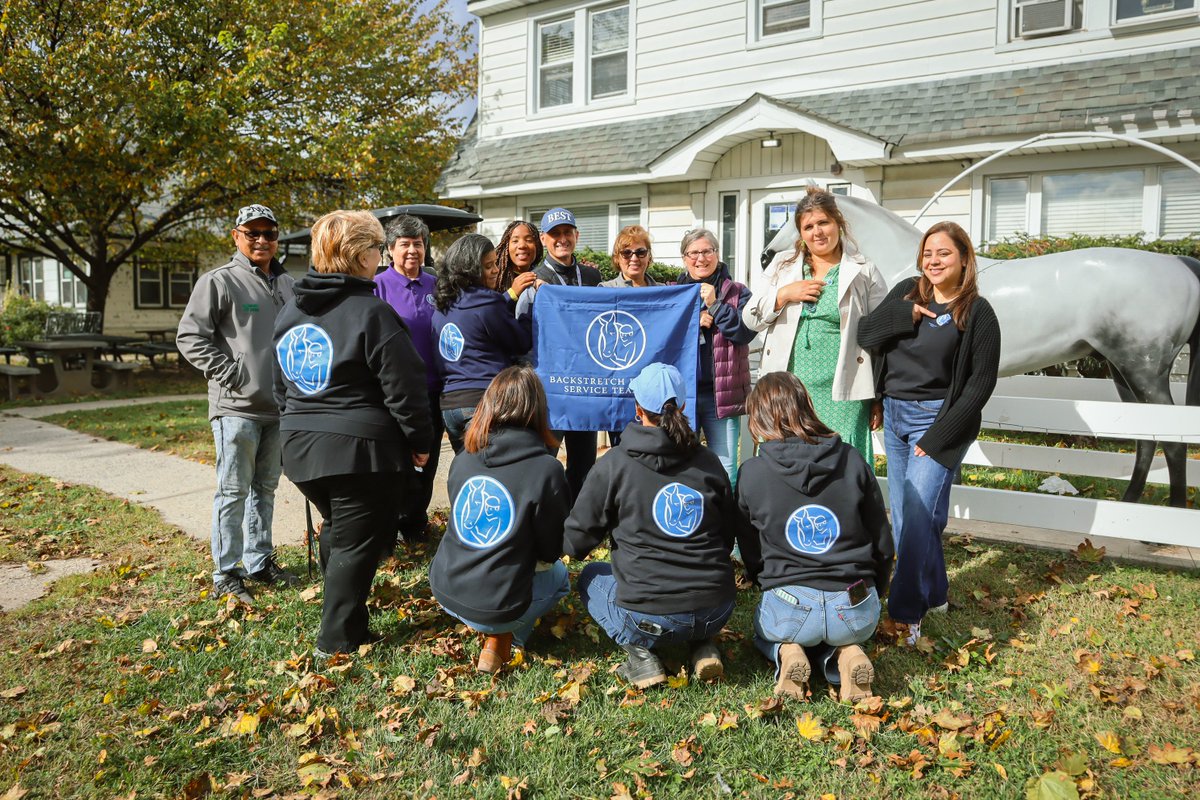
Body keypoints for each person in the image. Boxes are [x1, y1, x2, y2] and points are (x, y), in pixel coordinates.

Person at [272, 210, 433, 657]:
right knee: (355, 542)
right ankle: (336, 642)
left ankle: (352, 623)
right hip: (360, 451)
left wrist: (300, 426)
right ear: (360, 256)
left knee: (342, 531)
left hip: (301, 449)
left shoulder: (290, 311)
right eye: (378, 248)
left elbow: (279, 386)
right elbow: (404, 387)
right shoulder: (372, 312)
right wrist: (420, 443)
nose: (381, 256)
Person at [856, 221, 1001, 644]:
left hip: (937, 422)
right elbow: (867, 334)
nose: (934, 261)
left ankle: (905, 612)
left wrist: (938, 438)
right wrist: (904, 315)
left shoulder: (977, 312)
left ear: (963, 259)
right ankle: (936, 591)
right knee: (907, 518)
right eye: (928, 253)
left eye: (944, 253)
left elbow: (979, 385)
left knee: (918, 515)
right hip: (897, 417)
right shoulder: (907, 291)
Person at [564, 362, 737, 688]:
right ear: (684, 407)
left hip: (648, 619)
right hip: (717, 609)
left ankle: (642, 659)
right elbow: (726, 538)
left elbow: (576, 543)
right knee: (696, 604)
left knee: (590, 578)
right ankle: (702, 644)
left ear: (637, 409)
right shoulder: (709, 462)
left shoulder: (613, 465)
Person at [735, 372, 893, 702]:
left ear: (759, 417)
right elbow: (881, 539)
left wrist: (763, 578)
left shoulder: (752, 472)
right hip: (854, 602)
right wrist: (878, 587)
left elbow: (750, 548)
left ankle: (788, 653)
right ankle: (846, 654)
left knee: (764, 628)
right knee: (837, 630)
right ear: (806, 406)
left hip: (789, 607)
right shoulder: (851, 459)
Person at [178, 204, 299, 604]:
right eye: (253, 233)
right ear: (237, 236)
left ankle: (259, 560)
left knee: (265, 488)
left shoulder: (288, 284)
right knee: (233, 491)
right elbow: (190, 337)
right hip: (236, 407)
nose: (262, 240)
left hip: (278, 406)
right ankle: (226, 571)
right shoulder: (219, 281)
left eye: (269, 233)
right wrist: (229, 372)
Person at [429, 366, 571, 673]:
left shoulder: (465, 456)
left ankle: (494, 630)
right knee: (560, 579)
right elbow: (550, 552)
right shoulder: (547, 469)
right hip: (496, 602)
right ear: (538, 410)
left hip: (445, 587)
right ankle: (505, 638)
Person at [743, 187, 888, 465]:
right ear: (800, 233)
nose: (817, 232)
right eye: (808, 226)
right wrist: (784, 294)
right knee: (786, 462)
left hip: (844, 392)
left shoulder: (863, 270)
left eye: (823, 223)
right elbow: (749, 318)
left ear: (838, 223)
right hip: (789, 390)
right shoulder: (782, 266)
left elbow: (881, 336)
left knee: (842, 464)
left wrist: (877, 396)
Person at [517, 207, 603, 500]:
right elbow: (520, 333)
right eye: (555, 234)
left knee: (583, 463)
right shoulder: (533, 279)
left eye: (567, 233)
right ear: (543, 239)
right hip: (550, 388)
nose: (562, 239)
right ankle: (540, 520)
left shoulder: (592, 277)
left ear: (577, 236)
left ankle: (577, 527)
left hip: (585, 385)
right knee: (544, 458)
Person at [433, 233, 535, 454]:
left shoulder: (442, 304)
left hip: (450, 405)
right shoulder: (487, 302)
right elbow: (520, 342)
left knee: (467, 473)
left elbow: (479, 321)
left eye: (496, 263)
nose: (496, 270)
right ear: (471, 270)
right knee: (489, 472)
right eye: (489, 266)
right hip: (483, 401)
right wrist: (528, 311)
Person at [374, 215, 442, 544]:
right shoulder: (378, 286)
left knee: (427, 462)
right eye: (405, 244)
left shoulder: (435, 285)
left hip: (433, 390)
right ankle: (390, 525)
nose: (413, 250)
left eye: (418, 243)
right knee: (397, 462)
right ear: (390, 250)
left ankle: (415, 522)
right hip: (394, 394)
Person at [675, 229, 756, 487]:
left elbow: (744, 332)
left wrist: (716, 305)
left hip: (722, 398)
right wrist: (693, 323)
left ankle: (725, 526)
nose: (701, 258)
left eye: (707, 251)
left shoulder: (738, 293)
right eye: (694, 253)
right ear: (685, 258)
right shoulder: (672, 293)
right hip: (683, 398)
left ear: (717, 254)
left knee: (726, 469)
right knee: (681, 465)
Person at [600, 225, 659, 447]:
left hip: (655, 391)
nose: (634, 258)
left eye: (640, 252)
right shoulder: (603, 290)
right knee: (623, 452)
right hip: (619, 390)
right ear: (618, 257)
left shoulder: (665, 293)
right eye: (627, 252)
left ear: (648, 256)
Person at [495, 219, 543, 299]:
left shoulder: (544, 276)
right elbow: (490, 310)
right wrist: (512, 294)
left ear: (537, 246)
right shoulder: (495, 278)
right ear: (506, 247)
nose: (522, 245)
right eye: (515, 241)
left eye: (529, 240)